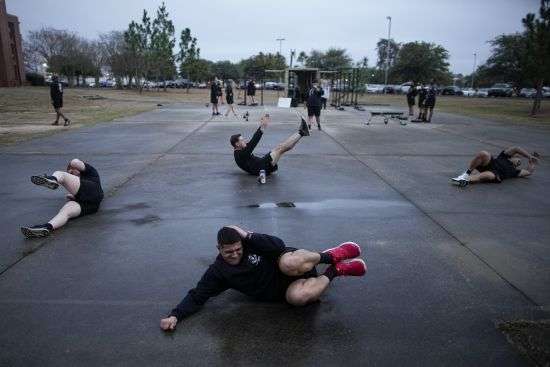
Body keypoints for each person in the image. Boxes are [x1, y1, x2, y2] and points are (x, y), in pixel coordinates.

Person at [160, 226, 367, 331]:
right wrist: (175, 315)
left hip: (294, 263)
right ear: (218, 249)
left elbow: (278, 245)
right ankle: (335, 271)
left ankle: (331, 255)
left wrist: (249, 235)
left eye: (237, 249)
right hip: (288, 288)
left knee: (288, 263)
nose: (234, 254)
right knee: (298, 298)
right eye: (228, 252)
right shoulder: (219, 272)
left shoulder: (250, 243)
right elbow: (198, 295)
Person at [21, 159, 104, 238]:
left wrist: (73, 163)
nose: (72, 174)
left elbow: (75, 162)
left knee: (61, 174)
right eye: (70, 173)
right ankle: (47, 227)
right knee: (65, 211)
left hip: (93, 189)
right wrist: (73, 197)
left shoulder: (90, 172)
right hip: (92, 206)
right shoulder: (77, 185)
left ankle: (53, 179)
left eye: (72, 171)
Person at [230, 114, 309, 177]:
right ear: (237, 144)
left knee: (282, 148)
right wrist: (262, 128)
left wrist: (262, 126)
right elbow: (253, 143)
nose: (244, 141)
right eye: (242, 140)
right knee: (281, 148)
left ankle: (302, 133)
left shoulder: (240, 150)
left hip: (261, 165)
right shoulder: (240, 154)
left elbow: (250, 145)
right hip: (261, 167)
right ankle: (301, 132)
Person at [451, 147, 540, 187]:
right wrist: (529, 156)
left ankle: (465, 180)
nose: (518, 162)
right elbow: (516, 148)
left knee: (486, 175)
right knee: (484, 153)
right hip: (490, 164)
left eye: (519, 163)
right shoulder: (504, 156)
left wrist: (532, 163)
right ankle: (467, 173)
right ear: (513, 157)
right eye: (518, 159)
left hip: (495, 174)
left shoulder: (515, 171)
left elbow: (529, 172)